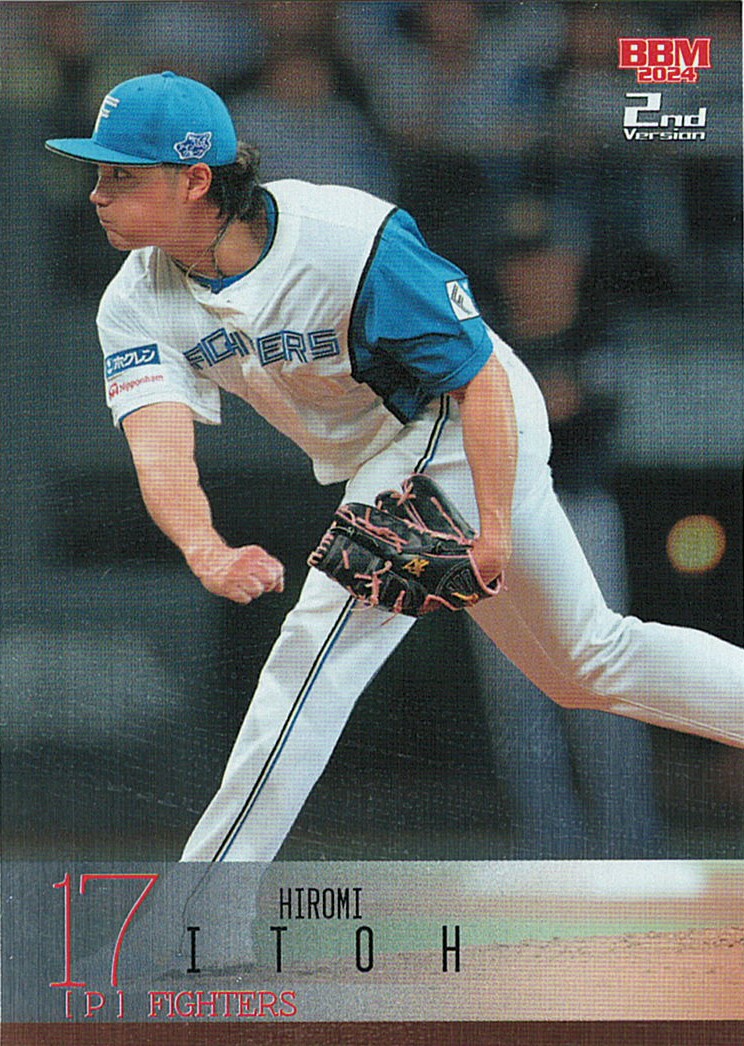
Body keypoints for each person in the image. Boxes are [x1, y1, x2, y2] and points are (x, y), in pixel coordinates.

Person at [45, 71, 744, 867]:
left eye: (121, 174)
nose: (97, 193)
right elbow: (160, 448)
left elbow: (479, 380)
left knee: (316, 652)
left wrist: (494, 522)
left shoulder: (344, 236)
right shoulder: (133, 301)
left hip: (460, 421)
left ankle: (201, 907)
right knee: (586, 664)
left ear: (195, 179)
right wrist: (204, 547)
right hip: (383, 451)